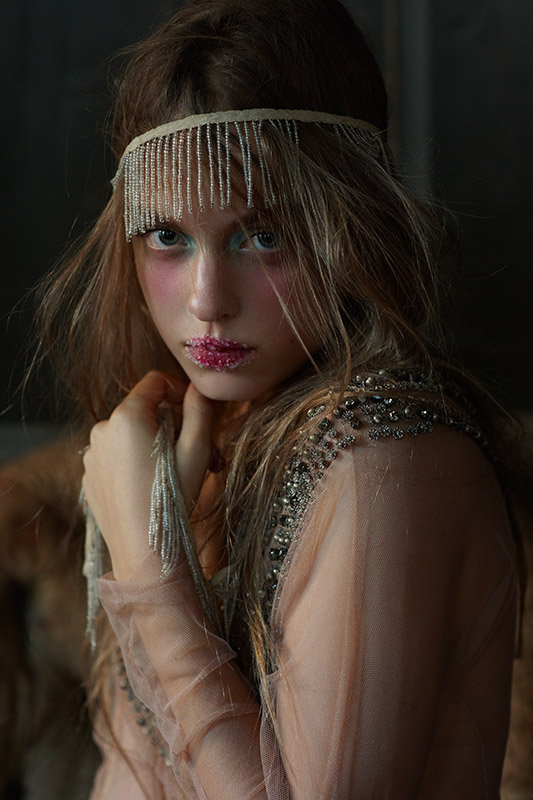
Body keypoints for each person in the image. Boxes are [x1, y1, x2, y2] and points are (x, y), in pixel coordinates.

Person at [5, 0, 529, 797]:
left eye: (262, 235)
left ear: (349, 227)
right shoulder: (204, 437)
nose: (207, 301)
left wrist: (148, 562)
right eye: (168, 236)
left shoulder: (383, 461)